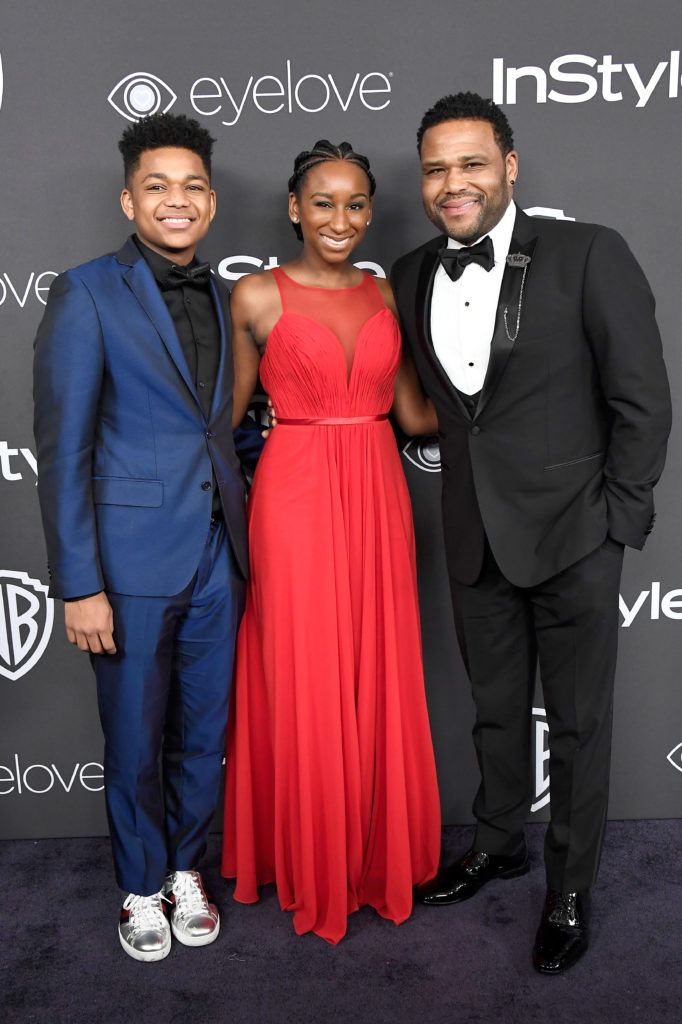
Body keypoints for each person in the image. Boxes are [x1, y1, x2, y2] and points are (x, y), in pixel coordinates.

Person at [390, 92, 672, 973]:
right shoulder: (406, 274)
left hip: (577, 535)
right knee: (494, 711)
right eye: (436, 168)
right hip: (473, 533)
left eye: (472, 163)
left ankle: (571, 886)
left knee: (581, 723)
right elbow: (436, 412)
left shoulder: (590, 252)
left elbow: (643, 401)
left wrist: (617, 523)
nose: (453, 183)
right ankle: (498, 841)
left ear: (510, 167)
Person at [33, 113, 262, 962]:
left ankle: (185, 873)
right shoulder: (87, 290)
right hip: (126, 565)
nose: (178, 200)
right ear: (129, 198)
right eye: (158, 186)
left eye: (193, 186)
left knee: (205, 734)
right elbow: (64, 450)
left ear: (211, 202)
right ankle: (137, 887)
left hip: (216, 557)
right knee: (134, 739)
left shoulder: (227, 293)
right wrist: (78, 583)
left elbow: (226, 431)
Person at [221, 140, 441, 944]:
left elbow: (416, 415)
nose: (339, 219)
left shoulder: (388, 293)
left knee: (375, 664)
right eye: (323, 203)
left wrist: (523, 409)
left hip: (379, 491)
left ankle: (373, 852)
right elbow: (230, 420)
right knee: (307, 668)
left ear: (369, 211)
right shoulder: (255, 296)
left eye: (354, 205)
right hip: (294, 494)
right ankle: (312, 857)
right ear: (294, 207)